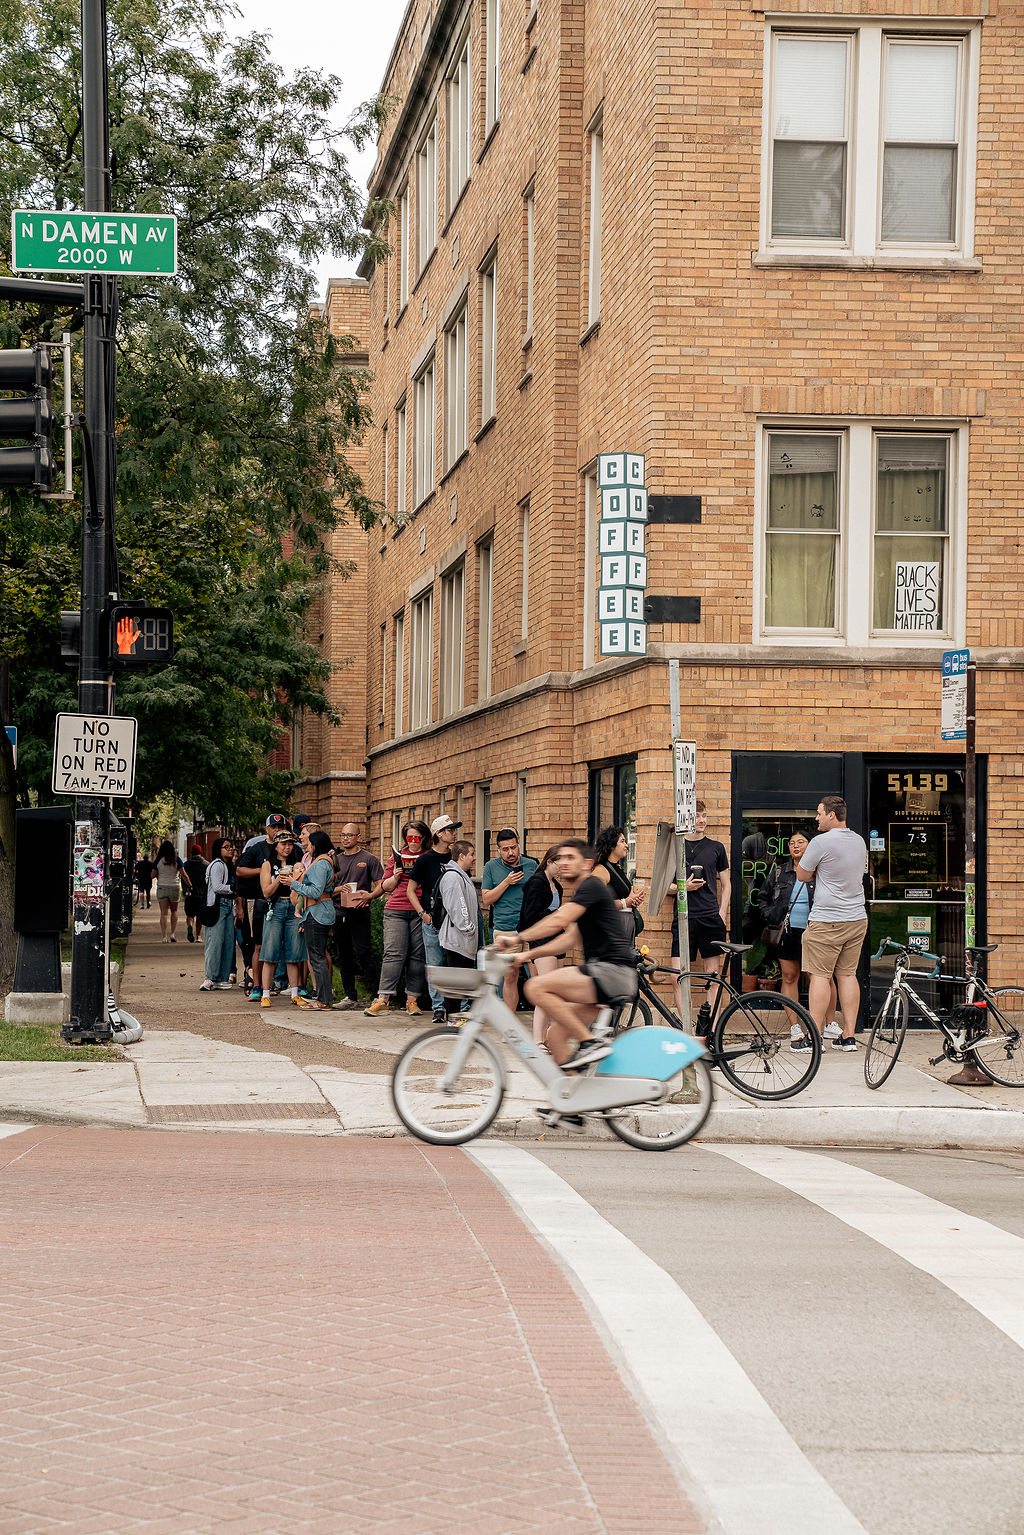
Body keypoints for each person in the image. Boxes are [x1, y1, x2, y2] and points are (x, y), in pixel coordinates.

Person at [498, 839, 638, 1072]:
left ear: (587, 863)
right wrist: (529, 954)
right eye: (560, 858)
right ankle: (570, 1101)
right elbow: (569, 937)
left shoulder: (592, 885)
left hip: (610, 972)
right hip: (605, 976)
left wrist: (517, 939)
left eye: (570, 858)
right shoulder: (583, 894)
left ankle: (589, 1042)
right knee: (555, 1036)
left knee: (535, 988)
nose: (563, 862)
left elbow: (559, 920)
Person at [795, 796, 869, 1052]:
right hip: (856, 917)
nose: (816, 818)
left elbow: (802, 875)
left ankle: (814, 1037)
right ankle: (848, 1035)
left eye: (819, 813)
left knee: (819, 976)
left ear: (831, 815)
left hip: (827, 918)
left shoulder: (821, 842)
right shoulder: (859, 841)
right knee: (847, 975)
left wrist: (818, 869)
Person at [756, 830, 839, 1051]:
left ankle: (827, 1024)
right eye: (792, 843)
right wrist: (770, 915)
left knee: (821, 978)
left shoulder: (819, 872)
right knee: (789, 976)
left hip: (816, 932)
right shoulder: (779, 872)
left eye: (800, 842)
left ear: (810, 845)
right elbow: (762, 897)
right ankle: (795, 1028)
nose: (795, 846)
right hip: (789, 933)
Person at [364, 820, 431, 1017]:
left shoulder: (428, 857)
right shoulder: (397, 857)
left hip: (420, 909)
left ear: (424, 837)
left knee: (417, 956)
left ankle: (412, 1000)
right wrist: (395, 875)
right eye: (409, 838)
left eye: (417, 837)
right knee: (393, 953)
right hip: (397, 908)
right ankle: (383, 998)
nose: (413, 841)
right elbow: (385, 886)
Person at [670, 800, 731, 1013]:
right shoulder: (675, 846)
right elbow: (663, 887)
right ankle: (689, 1031)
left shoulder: (716, 847)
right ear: (686, 818)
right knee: (676, 977)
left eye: (704, 815)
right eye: (697, 816)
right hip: (684, 917)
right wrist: (683, 887)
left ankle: (711, 1032)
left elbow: (727, 883)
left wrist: (722, 912)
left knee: (713, 977)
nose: (702, 820)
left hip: (709, 917)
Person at [480, 828, 538, 1015]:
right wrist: (506, 882)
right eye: (505, 849)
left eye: (513, 847)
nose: (510, 853)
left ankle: (543, 1023)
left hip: (531, 929)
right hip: (505, 929)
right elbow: (487, 899)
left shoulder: (531, 864)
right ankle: (510, 1022)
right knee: (510, 977)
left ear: (519, 842)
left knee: (537, 978)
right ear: (498, 849)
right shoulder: (491, 867)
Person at [411, 814, 461, 1025]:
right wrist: (422, 913)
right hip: (432, 920)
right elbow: (410, 890)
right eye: (450, 830)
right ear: (438, 834)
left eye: (454, 829)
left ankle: (458, 1008)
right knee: (434, 965)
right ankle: (438, 1008)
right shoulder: (425, 860)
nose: (454, 833)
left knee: (455, 965)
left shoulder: (457, 857)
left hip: (454, 920)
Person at [235, 813, 289, 999]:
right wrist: (264, 870)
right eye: (273, 827)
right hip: (261, 902)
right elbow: (240, 870)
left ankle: (273, 983)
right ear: (266, 829)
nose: (277, 830)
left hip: (285, 902)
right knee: (258, 946)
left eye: (280, 827)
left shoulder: (291, 849)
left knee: (280, 946)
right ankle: (256, 985)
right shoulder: (257, 848)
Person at [331, 822, 384, 1009]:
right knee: (343, 955)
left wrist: (369, 897)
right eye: (343, 835)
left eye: (350, 835)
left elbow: (381, 885)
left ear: (359, 837)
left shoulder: (369, 859)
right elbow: (327, 889)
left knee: (363, 953)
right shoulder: (335, 860)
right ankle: (350, 996)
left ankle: (376, 995)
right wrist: (340, 889)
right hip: (339, 911)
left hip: (360, 911)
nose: (346, 838)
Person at [517, 846, 563, 1045]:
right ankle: (538, 1040)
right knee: (546, 991)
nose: (563, 868)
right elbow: (531, 916)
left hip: (557, 940)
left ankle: (549, 1038)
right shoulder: (537, 883)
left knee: (555, 992)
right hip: (542, 940)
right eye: (560, 864)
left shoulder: (557, 886)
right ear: (550, 862)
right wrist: (558, 916)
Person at [287, 830, 337, 1010]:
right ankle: (324, 997)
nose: (307, 847)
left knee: (317, 958)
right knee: (319, 956)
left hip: (317, 913)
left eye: (309, 844)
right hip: (321, 912)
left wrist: (293, 883)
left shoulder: (320, 864)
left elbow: (315, 892)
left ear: (315, 845)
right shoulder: (326, 862)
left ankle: (323, 1000)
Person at [256, 832, 306, 1008]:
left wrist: (295, 877)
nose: (287, 847)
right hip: (275, 907)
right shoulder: (268, 864)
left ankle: (294, 993)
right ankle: (265, 994)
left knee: (294, 952)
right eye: (283, 844)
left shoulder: (298, 863)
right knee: (270, 952)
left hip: (294, 907)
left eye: (290, 844)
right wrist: (279, 879)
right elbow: (266, 892)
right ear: (275, 845)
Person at [436, 840, 480, 1015]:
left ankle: (455, 1019)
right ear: (462, 856)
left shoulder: (459, 875)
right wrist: (469, 929)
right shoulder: (453, 877)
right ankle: (452, 1020)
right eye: (472, 854)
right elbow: (457, 907)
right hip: (458, 940)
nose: (474, 858)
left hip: (462, 939)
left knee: (460, 983)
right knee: (455, 985)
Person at [592, 824, 647, 941]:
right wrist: (626, 902)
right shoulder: (601, 870)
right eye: (622, 841)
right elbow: (596, 903)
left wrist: (633, 900)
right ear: (611, 845)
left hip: (624, 926)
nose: (626, 845)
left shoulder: (618, 868)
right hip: (611, 928)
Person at [199, 838, 236, 990]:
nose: (230, 849)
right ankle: (210, 978)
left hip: (227, 906)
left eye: (231, 847)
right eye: (225, 847)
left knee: (227, 943)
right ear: (218, 849)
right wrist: (233, 889)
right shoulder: (217, 865)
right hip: (217, 906)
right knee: (214, 942)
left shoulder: (228, 865)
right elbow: (217, 886)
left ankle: (221, 977)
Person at [154, 839, 190, 943]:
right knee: (174, 911)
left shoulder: (158, 860)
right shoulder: (176, 860)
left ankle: (164, 937)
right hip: (174, 887)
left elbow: (152, 875)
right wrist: (190, 884)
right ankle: (173, 934)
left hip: (162, 887)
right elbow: (184, 874)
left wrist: (159, 875)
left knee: (163, 913)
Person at [182, 843, 209, 944]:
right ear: (201, 852)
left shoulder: (186, 864)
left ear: (191, 852)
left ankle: (190, 927)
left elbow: (183, 878)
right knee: (200, 916)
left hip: (190, 894)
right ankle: (198, 936)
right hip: (202, 895)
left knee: (190, 915)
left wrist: (185, 890)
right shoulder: (206, 864)